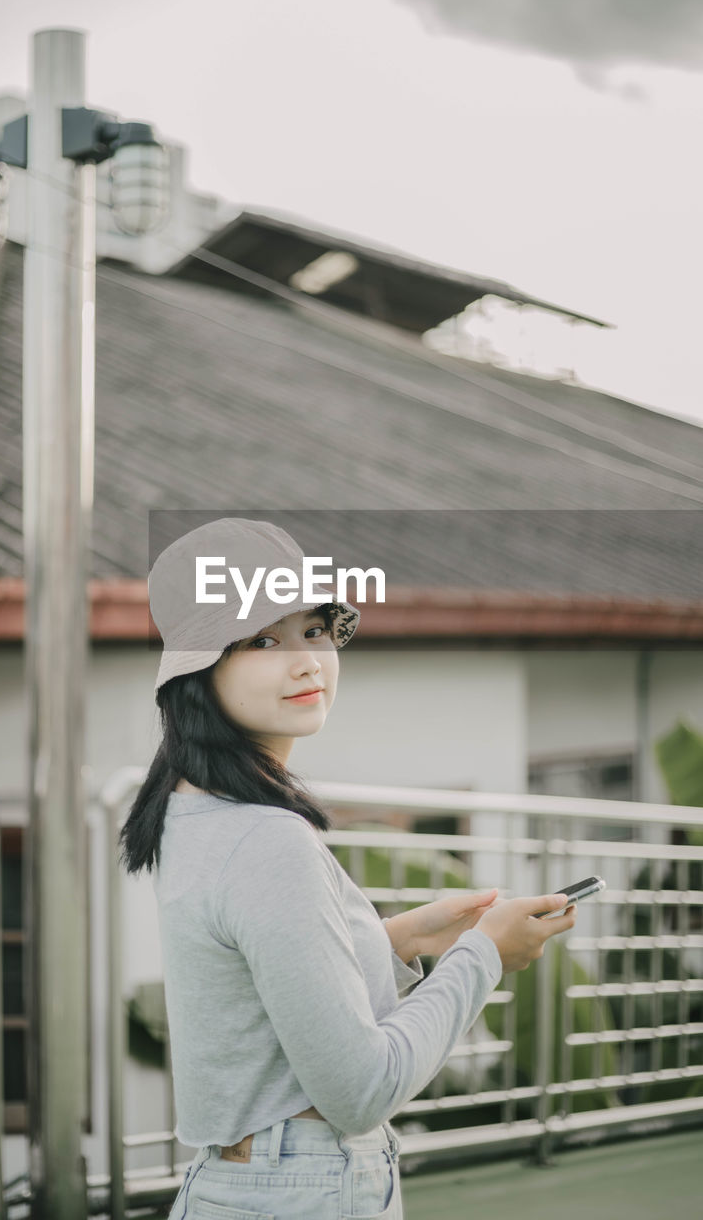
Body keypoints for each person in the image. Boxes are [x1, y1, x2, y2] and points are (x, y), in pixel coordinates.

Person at [119, 517, 576, 1220]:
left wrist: (402, 942)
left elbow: (262, 979)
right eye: (264, 640)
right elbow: (359, 1091)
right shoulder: (266, 840)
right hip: (304, 1190)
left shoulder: (191, 809)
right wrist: (482, 956)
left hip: (244, 1185)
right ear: (198, 672)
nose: (306, 661)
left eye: (314, 630)